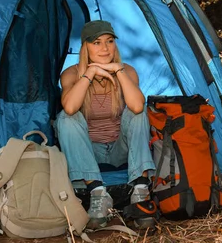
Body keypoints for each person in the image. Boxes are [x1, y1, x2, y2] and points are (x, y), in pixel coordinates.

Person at [55, 20, 156, 229]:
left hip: (121, 148)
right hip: (89, 151)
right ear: (85, 47)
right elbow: (70, 108)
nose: (105, 48)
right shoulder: (71, 74)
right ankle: (98, 192)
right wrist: (89, 74)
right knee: (65, 118)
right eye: (97, 43)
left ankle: (140, 190)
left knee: (138, 112)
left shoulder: (127, 71)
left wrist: (118, 70)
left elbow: (137, 107)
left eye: (109, 41)